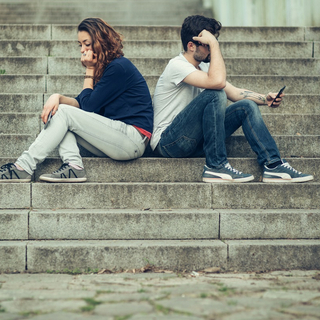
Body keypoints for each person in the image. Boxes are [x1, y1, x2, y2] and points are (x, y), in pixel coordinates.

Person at [150, 15, 313, 183]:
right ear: (191, 46)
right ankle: (216, 166)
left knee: (246, 106)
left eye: (213, 42)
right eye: (207, 44)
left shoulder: (205, 67)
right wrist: (215, 45)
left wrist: (265, 99)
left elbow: (234, 92)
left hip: (195, 141)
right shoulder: (177, 66)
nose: (211, 49)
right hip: (169, 143)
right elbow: (218, 83)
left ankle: (273, 165)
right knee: (215, 93)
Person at [0, 17, 153, 183]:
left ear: (100, 40)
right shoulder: (106, 69)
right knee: (61, 113)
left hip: (133, 138)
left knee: (65, 113)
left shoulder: (118, 67)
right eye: (80, 45)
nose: (82, 49)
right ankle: (74, 166)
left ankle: (24, 166)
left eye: (87, 43)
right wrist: (57, 97)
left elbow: (87, 107)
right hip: (120, 140)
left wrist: (90, 68)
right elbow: (80, 103)